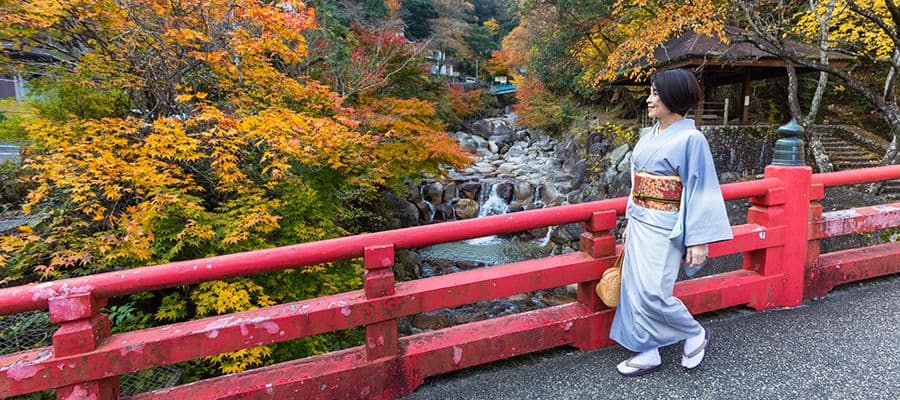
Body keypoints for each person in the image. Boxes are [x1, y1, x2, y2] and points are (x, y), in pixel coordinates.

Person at [609, 68, 733, 376]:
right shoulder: (649, 135)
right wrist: (629, 218)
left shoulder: (692, 139)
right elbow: (637, 182)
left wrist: (699, 240)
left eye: (655, 93)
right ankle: (647, 350)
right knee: (633, 290)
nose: (649, 100)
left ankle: (694, 332)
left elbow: (701, 187)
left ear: (673, 97)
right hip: (639, 220)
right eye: (650, 93)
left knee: (653, 292)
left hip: (665, 225)